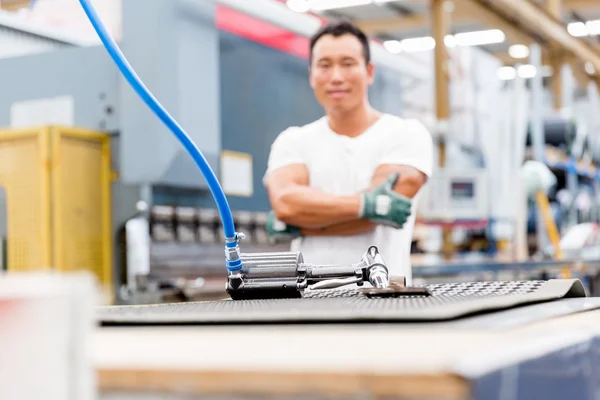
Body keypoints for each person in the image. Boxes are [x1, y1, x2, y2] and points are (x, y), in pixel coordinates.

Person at [262, 19, 433, 284]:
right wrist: (370, 205)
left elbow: (382, 216)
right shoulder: (292, 140)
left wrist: (303, 222)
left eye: (348, 63)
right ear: (311, 74)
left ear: (370, 71)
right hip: (310, 303)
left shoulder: (408, 135)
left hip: (387, 301)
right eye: (325, 65)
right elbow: (285, 202)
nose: (336, 77)